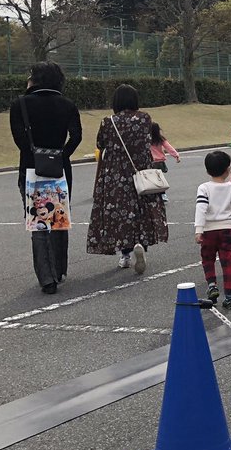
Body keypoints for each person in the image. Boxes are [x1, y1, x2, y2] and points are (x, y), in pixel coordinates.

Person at [9, 61, 83, 294]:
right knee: (58, 219)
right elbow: (76, 136)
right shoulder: (67, 104)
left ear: (35, 78)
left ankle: (46, 277)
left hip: (31, 168)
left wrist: (36, 155)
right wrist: (60, 156)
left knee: (38, 222)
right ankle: (60, 269)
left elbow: (19, 140)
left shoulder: (20, 104)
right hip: (59, 169)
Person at [87, 85, 168, 273]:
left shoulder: (108, 122)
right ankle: (140, 244)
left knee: (121, 214)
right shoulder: (145, 118)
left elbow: (101, 143)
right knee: (141, 210)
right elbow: (148, 140)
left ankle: (125, 255)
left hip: (116, 175)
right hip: (141, 172)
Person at [195, 150, 231, 310]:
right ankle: (230, 297)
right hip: (228, 230)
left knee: (208, 259)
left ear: (207, 170)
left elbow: (201, 209)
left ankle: (212, 285)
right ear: (228, 170)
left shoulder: (204, 188)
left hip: (208, 231)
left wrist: (199, 229)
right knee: (228, 262)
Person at [149, 122, 181, 203]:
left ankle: (155, 194)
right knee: (160, 178)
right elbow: (169, 147)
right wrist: (176, 155)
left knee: (152, 179)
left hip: (151, 162)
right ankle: (163, 194)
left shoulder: (147, 139)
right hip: (160, 162)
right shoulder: (160, 139)